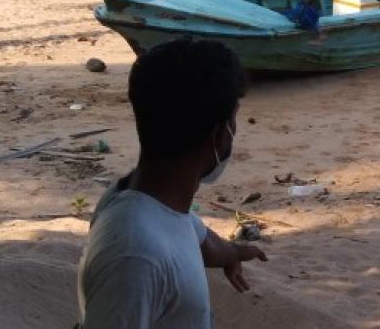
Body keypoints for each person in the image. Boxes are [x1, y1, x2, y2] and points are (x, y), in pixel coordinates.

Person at [77, 38, 267, 329]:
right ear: (219, 135)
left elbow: (198, 238)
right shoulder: (135, 257)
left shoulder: (144, 198)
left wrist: (235, 253)